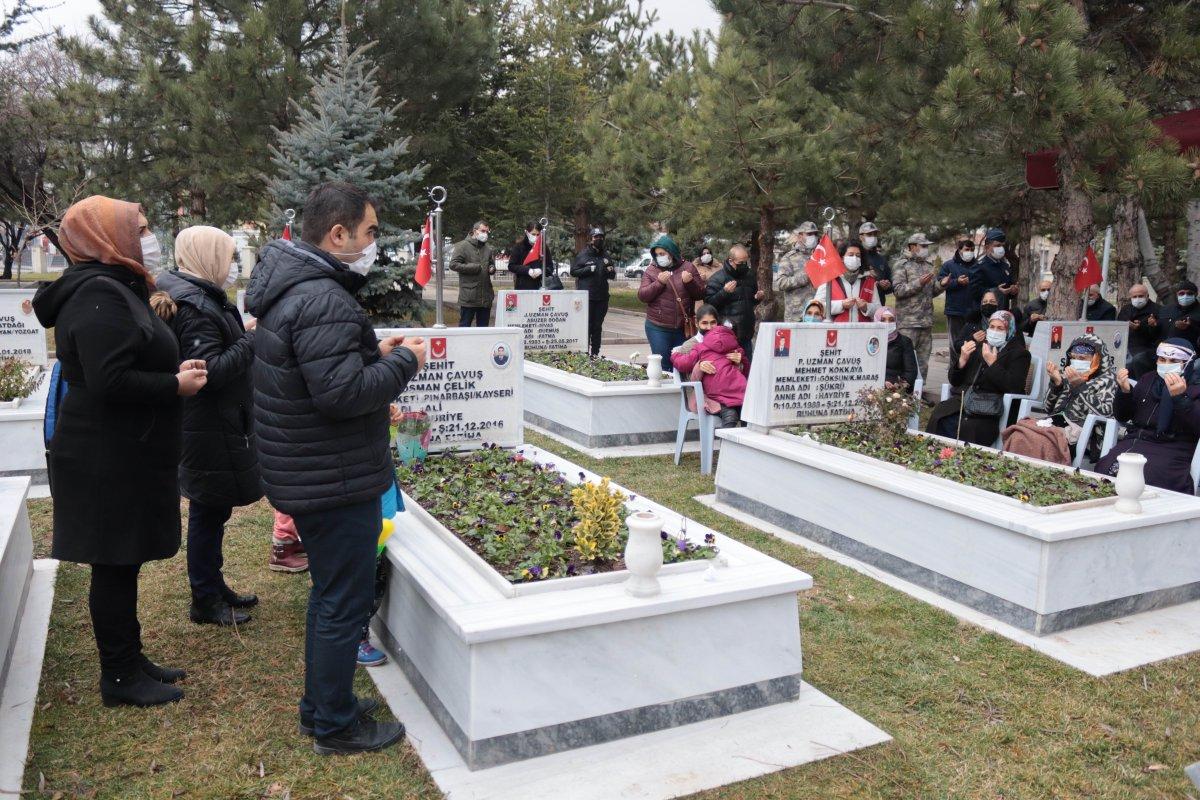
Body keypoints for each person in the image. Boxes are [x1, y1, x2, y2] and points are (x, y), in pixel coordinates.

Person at [246, 182, 427, 755]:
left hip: (314, 469)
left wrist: (369, 355)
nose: (375, 243)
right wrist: (403, 362)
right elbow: (342, 395)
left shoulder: (297, 289)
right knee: (341, 602)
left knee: (330, 596)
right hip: (335, 477)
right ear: (338, 234)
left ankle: (322, 707)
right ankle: (334, 726)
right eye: (370, 232)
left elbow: (316, 374)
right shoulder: (322, 296)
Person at [32, 195, 209, 707]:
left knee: (123, 560)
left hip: (118, 447)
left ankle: (130, 658)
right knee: (112, 562)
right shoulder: (100, 295)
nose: (147, 238)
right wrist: (173, 385)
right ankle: (118, 678)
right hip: (102, 453)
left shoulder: (114, 287)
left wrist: (173, 376)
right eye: (140, 228)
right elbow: (109, 381)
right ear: (105, 238)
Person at [152, 226, 262, 627]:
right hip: (207, 426)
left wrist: (241, 334)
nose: (232, 267)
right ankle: (205, 598)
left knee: (215, 511)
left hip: (216, 424)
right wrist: (251, 342)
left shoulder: (199, 295)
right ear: (207, 257)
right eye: (228, 256)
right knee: (208, 511)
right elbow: (208, 372)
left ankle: (214, 585)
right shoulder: (195, 305)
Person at [1096, 339, 1200, 494]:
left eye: (1174, 361)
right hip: (1135, 441)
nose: (1166, 364)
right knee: (1104, 468)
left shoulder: (1195, 388)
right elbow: (1123, 416)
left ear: (1188, 363)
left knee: (1149, 476)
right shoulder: (1149, 379)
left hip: (1171, 448)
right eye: (1162, 359)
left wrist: (1181, 398)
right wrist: (1124, 392)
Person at [927, 310, 1031, 446]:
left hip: (990, 405)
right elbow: (954, 380)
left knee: (969, 428)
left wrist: (992, 364)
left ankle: (962, 462)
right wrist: (961, 361)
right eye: (992, 327)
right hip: (964, 399)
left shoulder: (1019, 354)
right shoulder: (979, 346)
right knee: (939, 417)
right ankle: (936, 456)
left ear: (1010, 330)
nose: (994, 331)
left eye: (1000, 328)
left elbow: (1014, 386)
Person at [670, 307, 749, 428]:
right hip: (704, 396)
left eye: (713, 323)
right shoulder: (691, 345)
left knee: (749, 411)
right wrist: (699, 366)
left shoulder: (728, 342)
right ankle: (727, 446)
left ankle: (744, 444)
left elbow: (746, 373)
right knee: (731, 414)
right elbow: (687, 381)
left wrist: (740, 361)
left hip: (731, 391)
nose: (709, 327)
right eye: (704, 323)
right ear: (697, 324)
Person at [1043, 334, 1118, 460]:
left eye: (1082, 358)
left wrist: (1080, 387)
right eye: (1073, 357)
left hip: (1084, 435)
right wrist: (1057, 384)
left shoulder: (1108, 380)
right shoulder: (1067, 374)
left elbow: (1106, 413)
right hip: (1055, 423)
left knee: (1040, 440)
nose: (1076, 361)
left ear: (1096, 359)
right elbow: (1047, 408)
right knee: (1021, 431)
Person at [638, 234, 702, 363]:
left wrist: (689, 282)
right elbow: (642, 296)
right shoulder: (652, 270)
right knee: (664, 364)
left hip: (682, 327)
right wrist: (659, 283)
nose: (659, 257)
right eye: (657, 254)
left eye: (662, 253)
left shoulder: (688, 267)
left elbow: (700, 294)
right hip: (658, 327)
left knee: (682, 363)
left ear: (671, 252)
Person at [890, 232, 943, 380]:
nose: (926, 249)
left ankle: (919, 393)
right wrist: (918, 283)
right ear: (913, 247)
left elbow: (930, 292)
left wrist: (942, 285)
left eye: (927, 246)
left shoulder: (928, 266)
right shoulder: (902, 265)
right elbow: (899, 290)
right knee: (906, 361)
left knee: (923, 361)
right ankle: (904, 393)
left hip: (925, 322)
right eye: (923, 246)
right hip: (908, 322)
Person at [705, 243, 763, 354]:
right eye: (740, 263)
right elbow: (709, 304)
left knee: (747, 368)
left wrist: (757, 298)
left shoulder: (749, 275)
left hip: (746, 333)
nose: (744, 265)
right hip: (727, 334)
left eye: (746, 262)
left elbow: (750, 299)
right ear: (731, 261)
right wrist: (724, 292)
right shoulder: (717, 279)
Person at [571, 226, 617, 356]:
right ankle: (584, 352)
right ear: (591, 239)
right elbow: (573, 271)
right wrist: (587, 269)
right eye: (596, 237)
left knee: (597, 327)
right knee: (587, 326)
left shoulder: (605, 255)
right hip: (587, 297)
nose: (599, 239)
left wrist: (611, 271)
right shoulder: (584, 254)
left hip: (602, 297)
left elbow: (612, 275)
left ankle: (595, 353)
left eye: (601, 237)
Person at [820, 239, 879, 323]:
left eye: (858, 255)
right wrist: (841, 305)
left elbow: (879, 310)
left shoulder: (869, 280)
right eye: (851, 255)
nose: (855, 258)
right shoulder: (829, 279)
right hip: (836, 331)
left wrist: (866, 307)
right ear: (841, 258)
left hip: (863, 331)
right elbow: (817, 307)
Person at [449, 221, 495, 326]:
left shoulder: (487, 248)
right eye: (483, 231)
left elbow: (491, 264)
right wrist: (474, 267)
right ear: (475, 231)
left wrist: (492, 268)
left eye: (487, 232)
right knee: (465, 328)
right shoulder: (463, 246)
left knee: (483, 331)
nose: (485, 234)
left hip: (485, 296)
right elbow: (453, 264)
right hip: (469, 296)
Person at [774, 223, 818, 321]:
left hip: (817, 314)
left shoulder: (819, 257)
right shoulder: (789, 258)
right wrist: (804, 277)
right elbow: (781, 283)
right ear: (800, 236)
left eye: (815, 234)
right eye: (809, 234)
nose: (813, 237)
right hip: (796, 316)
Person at [1117, 283, 1160, 376]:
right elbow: (1118, 328)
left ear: (1147, 296)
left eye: (1140, 296)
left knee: (1134, 361)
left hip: (1146, 347)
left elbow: (1159, 334)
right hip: (1126, 345)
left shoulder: (1157, 310)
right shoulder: (1126, 309)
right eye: (1134, 296)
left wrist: (1144, 327)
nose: (1137, 299)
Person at [875, 306, 917, 390]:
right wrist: (881, 383)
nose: (887, 323)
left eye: (891, 320)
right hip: (873, 385)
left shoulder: (904, 341)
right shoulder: (870, 341)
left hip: (897, 388)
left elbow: (911, 371)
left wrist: (899, 385)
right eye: (883, 320)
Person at [977, 227, 1018, 311]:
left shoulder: (1005, 266)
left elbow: (1008, 290)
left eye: (1002, 245)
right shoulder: (979, 266)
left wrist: (1013, 291)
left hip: (1002, 311)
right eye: (997, 245)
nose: (1001, 248)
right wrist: (996, 291)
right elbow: (974, 291)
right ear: (987, 247)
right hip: (985, 312)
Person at [1157, 281, 1200, 348]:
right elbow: (1158, 332)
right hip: (1164, 348)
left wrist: (1189, 328)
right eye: (1181, 293)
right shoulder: (1166, 310)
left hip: (1189, 350)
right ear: (1176, 295)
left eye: (1189, 293)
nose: (1185, 296)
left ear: (1196, 294)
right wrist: (1152, 326)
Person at [859, 221, 893, 304]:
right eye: (869, 234)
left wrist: (887, 286)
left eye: (875, 235)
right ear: (861, 237)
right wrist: (875, 284)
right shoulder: (856, 256)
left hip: (878, 306)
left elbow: (890, 284)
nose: (873, 237)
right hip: (860, 305)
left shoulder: (881, 259)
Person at [508, 222, 549, 290]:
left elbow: (550, 267)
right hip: (522, 287)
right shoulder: (518, 247)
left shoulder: (544, 247)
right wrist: (527, 270)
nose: (535, 237)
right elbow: (511, 266)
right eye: (533, 234)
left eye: (538, 234)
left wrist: (541, 271)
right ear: (527, 233)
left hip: (540, 286)